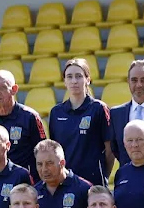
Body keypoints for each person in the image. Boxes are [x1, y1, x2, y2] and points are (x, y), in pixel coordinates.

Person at [48, 58, 114, 186]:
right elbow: (56, 150)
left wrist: (102, 173)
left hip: (94, 184)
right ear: (64, 81)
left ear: (87, 79)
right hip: (66, 183)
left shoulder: (98, 108)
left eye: (79, 76)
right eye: (69, 77)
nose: (74, 81)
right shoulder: (56, 112)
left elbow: (110, 149)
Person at [0, 69, 47, 181]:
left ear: (14, 89)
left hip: (25, 184)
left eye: (2, 87)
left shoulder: (30, 117)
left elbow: (42, 152)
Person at [33, 139, 92, 208]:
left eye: (49, 163)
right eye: (39, 164)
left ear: (62, 163)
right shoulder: (33, 193)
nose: (44, 169)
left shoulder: (84, 189)